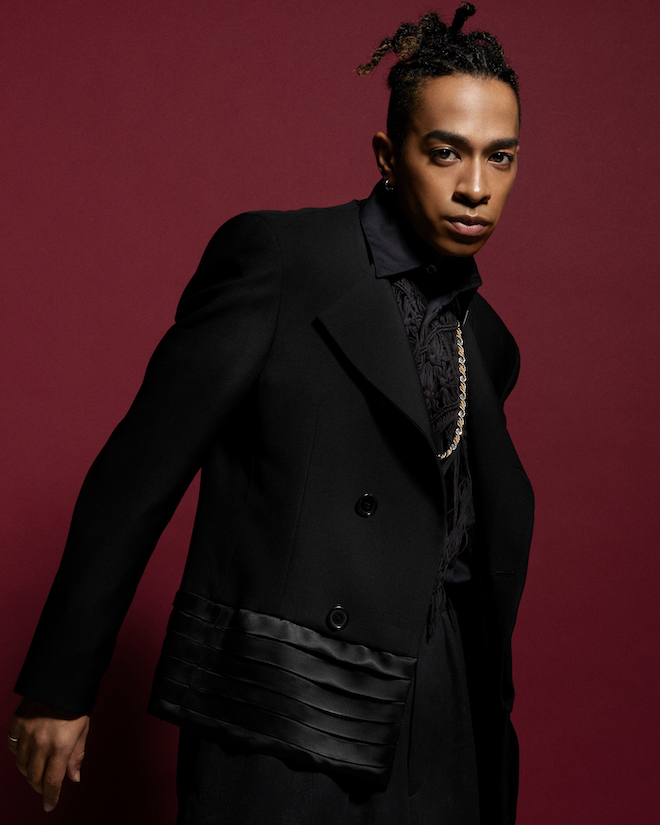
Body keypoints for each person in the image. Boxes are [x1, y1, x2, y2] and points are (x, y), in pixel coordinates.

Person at [8, 4, 534, 823]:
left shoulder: (488, 343)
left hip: (444, 717)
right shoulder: (283, 262)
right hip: (286, 712)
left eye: (499, 156)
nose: (476, 186)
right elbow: (136, 474)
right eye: (446, 152)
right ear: (388, 156)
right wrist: (59, 687)